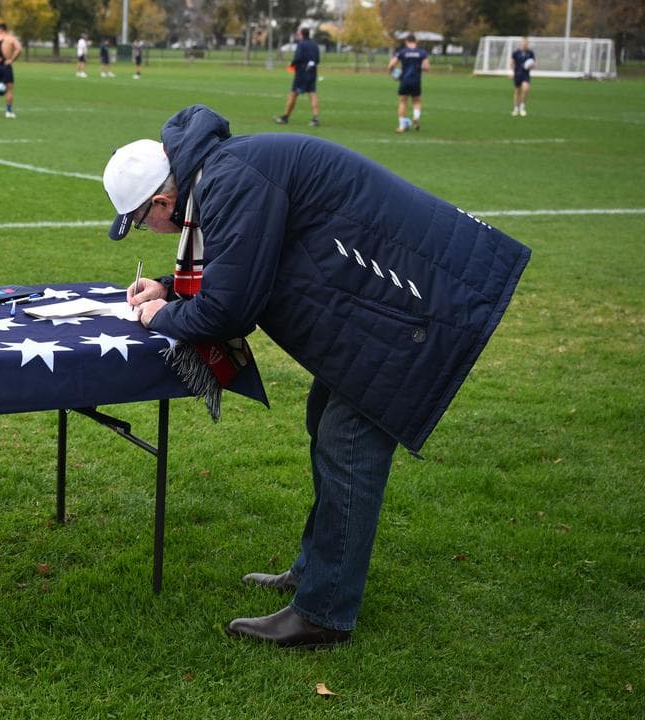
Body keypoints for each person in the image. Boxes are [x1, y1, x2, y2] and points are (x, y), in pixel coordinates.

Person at [103, 105, 530, 648]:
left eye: (144, 223)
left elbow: (231, 308)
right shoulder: (225, 170)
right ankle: (316, 572)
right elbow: (246, 256)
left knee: (347, 442)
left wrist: (163, 316)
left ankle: (324, 612)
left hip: (411, 305)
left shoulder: (231, 180)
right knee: (325, 422)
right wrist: (170, 285)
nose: (152, 230)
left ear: (163, 202)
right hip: (385, 304)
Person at [275, 28, 321, 127]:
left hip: (301, 73)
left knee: (293, 94)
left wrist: (292, 64)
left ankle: (285, 117)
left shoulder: (301, 44)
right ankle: (315, 118)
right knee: (312, 94)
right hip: (312, 72)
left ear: (301, 35)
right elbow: (317, 59)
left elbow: (298, 57)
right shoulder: (314, 45)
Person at [387, 34, 429, 132]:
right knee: (417, 101)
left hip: (405, 80)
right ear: (416, 41)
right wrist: (419, 67)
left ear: (406, 41)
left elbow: (391, 65)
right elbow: (427, 68)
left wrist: (392, 73)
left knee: (403, 102)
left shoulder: (402, 52)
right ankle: (416, 117)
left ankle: (401, 126)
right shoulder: (422, 53)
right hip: (416, 80)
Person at [509, 38, 536, 117]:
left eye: (526, 43)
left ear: (527, 44)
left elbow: (533, 64)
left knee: (526, 89)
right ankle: (515, 108)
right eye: (523, 43)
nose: (524, 45)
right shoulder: (516, 52)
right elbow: (511, 62)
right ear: (521, 43)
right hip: (517, 74)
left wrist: (531, 65)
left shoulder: (530, 53)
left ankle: (522, 107)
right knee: (517, 91)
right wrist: (510, 72)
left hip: (525, 74)